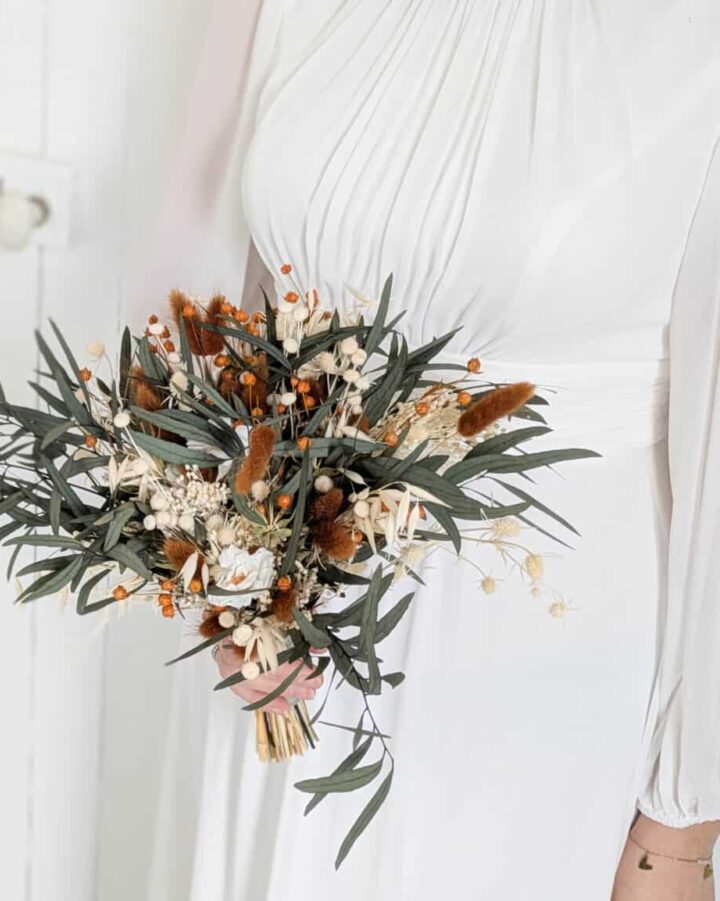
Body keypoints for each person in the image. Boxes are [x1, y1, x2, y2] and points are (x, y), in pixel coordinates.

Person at [132, 3, 720, 898]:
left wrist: (679, 827)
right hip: (287, 645)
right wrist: (222, 572)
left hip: (537, 674)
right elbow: (204, 290)